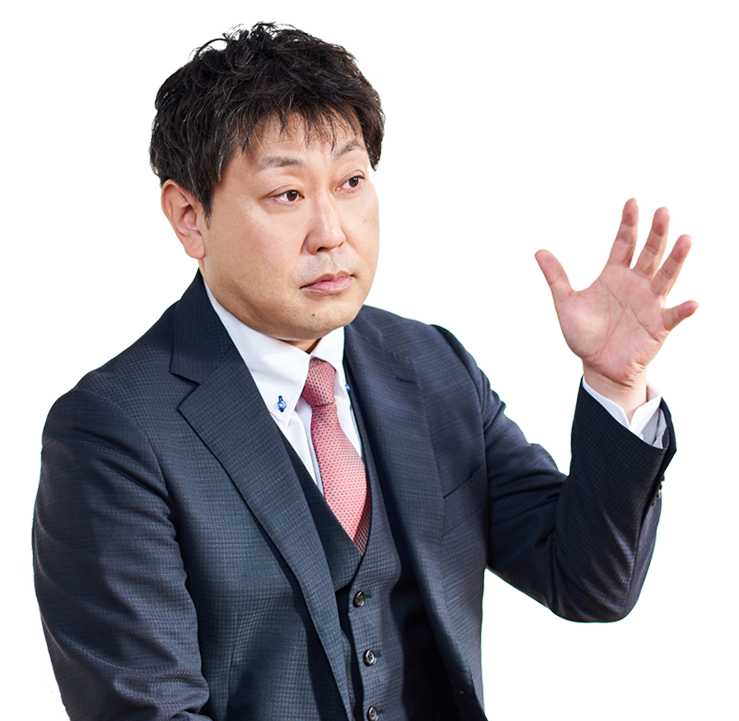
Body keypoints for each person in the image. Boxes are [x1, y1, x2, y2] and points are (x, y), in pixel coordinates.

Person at [33, 24, 695, 721]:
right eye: (286, 194)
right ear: (189, 217)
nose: (331, 232)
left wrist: (614, 385)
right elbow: (147, 709)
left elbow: (587, 581)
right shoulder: (112, 431)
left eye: (351, 183)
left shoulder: (434, 366)